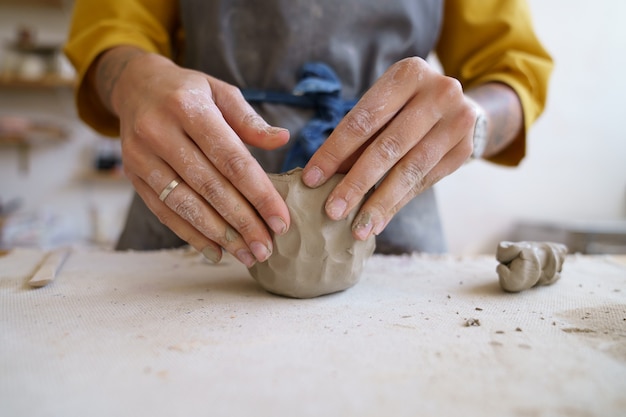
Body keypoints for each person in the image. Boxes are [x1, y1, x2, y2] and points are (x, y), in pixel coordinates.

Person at [64, 0, 553, 267]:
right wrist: (131, 79)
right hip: (190, 202)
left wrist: (476, 122)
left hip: (387, 221)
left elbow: (512, 72)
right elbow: (112, 31)